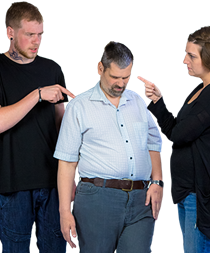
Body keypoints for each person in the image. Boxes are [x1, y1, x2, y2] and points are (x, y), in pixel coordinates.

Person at [0, 2, 75, 252]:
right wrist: (38, 94)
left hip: (53, 183)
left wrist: (73, 175)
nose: (36, 41)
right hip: (13, 186)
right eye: (29, 34)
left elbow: (65, 131)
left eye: (40, 34)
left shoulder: (52, 69)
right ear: (10, 32)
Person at [54, 41, 164, 253]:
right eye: (115, 77)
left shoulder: (138, 102)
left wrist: (157, 181)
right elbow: (67, 162)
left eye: (126, 77)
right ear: (100, 68)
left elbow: (154, 140)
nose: (121, 84)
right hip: (97, 199)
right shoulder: (79, 106)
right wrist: (64, 211)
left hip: (141, 200)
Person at [138, 26, 210, 253]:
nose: (185, 60)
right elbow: (177, 130)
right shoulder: (201, 88)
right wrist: (158, 101)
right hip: (189, 192)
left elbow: (179, 135)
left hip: (204, 195)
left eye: (191, 56)